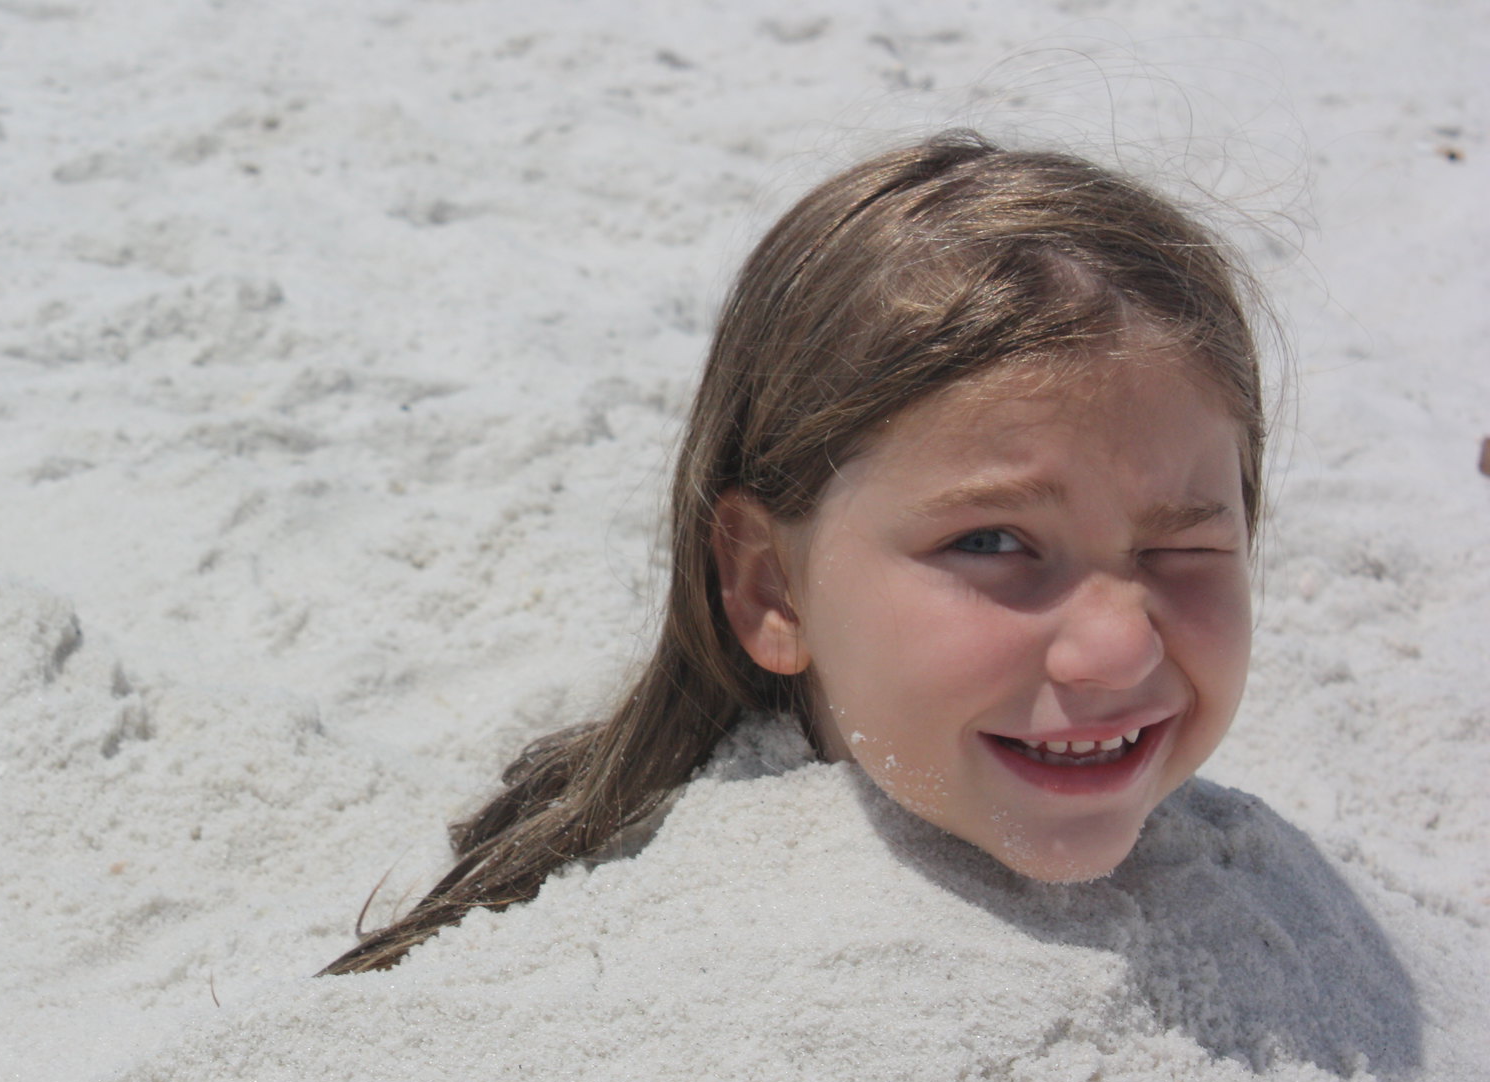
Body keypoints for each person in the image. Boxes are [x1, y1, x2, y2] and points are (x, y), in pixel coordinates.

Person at [321, 130, 1266, 976]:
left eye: (1180, 544)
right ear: (773, 585)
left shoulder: (1299, 928)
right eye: (991, 542)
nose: (1118, 648)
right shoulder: (628, 980)